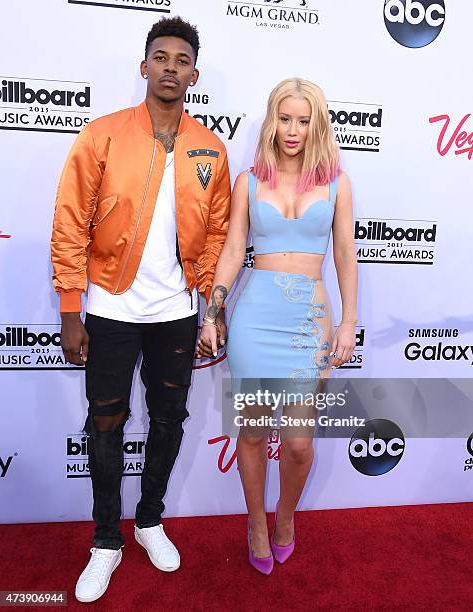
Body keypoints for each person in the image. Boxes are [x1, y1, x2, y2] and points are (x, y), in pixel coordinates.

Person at [50, 16, 230, 602]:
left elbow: (217, 234)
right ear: (144, 64)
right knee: (105, 421)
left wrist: (210, 307)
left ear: (194, 74)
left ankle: (149, 521)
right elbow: (71, 220)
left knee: (170, 418)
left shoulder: (209, 149)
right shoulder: (101, 136)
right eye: (161, 57)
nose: (170, 67)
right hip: (108, 306)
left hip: (175, 311)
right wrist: (71, 309)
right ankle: (106, 540)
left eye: (182, 59)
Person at [196, 78, 357, 574]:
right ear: (272, 120)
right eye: (285, 118)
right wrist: (214, 309)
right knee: (250, 433)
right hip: (256, 317)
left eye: (303, 120)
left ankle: (284, 514)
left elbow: (346, 256)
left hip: (308, 318)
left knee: (299, 443)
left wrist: (349, 321)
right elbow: (230, 250)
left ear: (317, 124)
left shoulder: (336, 182)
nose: (293, 130)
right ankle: (257, 523)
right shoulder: (248, 180)